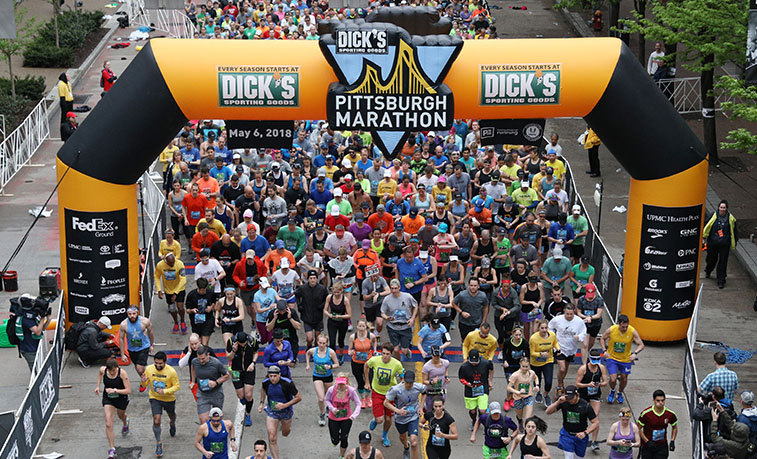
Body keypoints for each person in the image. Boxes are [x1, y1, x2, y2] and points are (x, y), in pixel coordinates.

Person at [364, 342, 405, 447]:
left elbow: (402, 376)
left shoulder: (396, 364)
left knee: (388, 419)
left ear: (391, 354)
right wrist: (367, 382)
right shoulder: (375, 360)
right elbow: (366, 365)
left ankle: (384, 435)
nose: (385, 356)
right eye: (383, 353)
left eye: (387, 354)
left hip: (390, 394)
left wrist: (399, 388)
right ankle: (375, 419)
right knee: (379, 419)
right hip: (377, 392)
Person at [140, 352, 180, 458]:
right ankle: (158, 443)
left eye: (160, 363)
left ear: (165, 362)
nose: (158, 365)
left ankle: (172, 423)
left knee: (171, 416)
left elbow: (177, 386)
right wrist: (143, 381)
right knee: (156, 420)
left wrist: (165, 391)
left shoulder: (171, 371)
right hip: (155, 398)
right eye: (156, 363)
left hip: (169, 399)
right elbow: (144, 384)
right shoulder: (149, 369)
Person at [258, 365, 302, 459]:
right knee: (272, 438)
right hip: (272, 411)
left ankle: (285, 427)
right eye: (270, 376)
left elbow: (298, 397)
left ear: (279, 375)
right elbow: (263, 390)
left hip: (286, 412)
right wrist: (261, 402)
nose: (272, 378)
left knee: (285, 433)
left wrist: (285, 405)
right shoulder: (265, 383)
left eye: (275, 376)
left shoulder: (287, 383)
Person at [600, 314, 645, 404]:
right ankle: (612, 391)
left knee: (624, 378)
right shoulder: (612, 329)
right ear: (618, 324)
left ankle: (620, 392)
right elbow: (602, 338)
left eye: (626, 326)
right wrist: (604, 350)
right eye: (623, 327)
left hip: (625, 359)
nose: (625, 329)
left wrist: (635, 353)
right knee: (613, 379)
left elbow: (641, 344)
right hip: (612, 358)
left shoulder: (632, 331)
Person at [545, 385, 599, 459]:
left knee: (578, 457)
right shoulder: (564, 402)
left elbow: (595, 422)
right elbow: (548, 412)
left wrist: (585, 433)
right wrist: (558, 402)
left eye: (571, 398)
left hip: (580, 435)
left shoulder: (585, 406)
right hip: (567, 434)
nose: (570, 400)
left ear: (577, 395)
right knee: (569, 456)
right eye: (568, 398)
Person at [384, 370, 427, 459]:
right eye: (407, 382)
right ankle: (406, 447)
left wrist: (421, 406)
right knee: (402, 437)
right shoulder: (396, 389)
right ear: (403, 380)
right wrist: (398, 410)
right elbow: (386, 403)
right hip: (400, 418)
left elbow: (424, 392)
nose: (409, 385)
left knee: (414, 442)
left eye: (411, 383)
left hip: (413, 416)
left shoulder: (418, 387)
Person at [95, 357, 131, 459]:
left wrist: (115, 390)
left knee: (121, 415)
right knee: (108, 423)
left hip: (120, 399)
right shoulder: (103, 370)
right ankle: (112, 448)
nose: (112, 372)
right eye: (110, 371)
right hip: (108, 399)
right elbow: (99, 373)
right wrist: (98, 386)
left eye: (113, 371)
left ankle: (125, 422)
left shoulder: (122, 373)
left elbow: (128, 390)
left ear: (117, 368)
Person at [548, 305, 587, 395]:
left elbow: (583, 332)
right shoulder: (557, 319)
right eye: (567, 314)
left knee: (565, 368)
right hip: (559, 347)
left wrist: (579, 337)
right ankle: (559, 385)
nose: (569, 316)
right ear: (564, 312)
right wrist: (553, 336)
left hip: (571, 349)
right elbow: (550, 326)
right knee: (562, 368)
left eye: (571, 314)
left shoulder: (579, 321)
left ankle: (561, 382)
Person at [575, 348, 608, 451]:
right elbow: (577, 384)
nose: (594, 364)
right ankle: (579, 435)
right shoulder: (583, 369)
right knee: (581, 417)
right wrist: (588, 385)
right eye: (593, 360)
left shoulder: (601, 367)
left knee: (595, 418)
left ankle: (594, 441)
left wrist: (599, 384)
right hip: (584, 394)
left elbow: (605, 382)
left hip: (595, 395)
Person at [305, 334, 341, 426]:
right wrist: (308, 364)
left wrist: (330, 366)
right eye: (320, 343)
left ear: (327, 343)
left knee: (329, 395)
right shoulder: (314, 350)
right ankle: (322, 414)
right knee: (321, 398)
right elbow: (307, 353)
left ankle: (329, 407)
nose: (321, 345)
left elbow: (337, 364)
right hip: (317, 376)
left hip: (328, 377)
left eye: (323, 343)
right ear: (317, 342)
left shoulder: (331, 352)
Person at [324, 373, 362, 458]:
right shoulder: (331, 390)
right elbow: (327, 400)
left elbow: (358, 403)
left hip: (346, 418)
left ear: (346, 382)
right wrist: (332, 408)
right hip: (333, 418)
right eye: (339, 383)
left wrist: (354, 415)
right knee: (335, 440)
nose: (340, 385)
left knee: (344, 438)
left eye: (342, 383)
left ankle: (341, 456)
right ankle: (336, 438)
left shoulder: (351, 390)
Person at [117, 306, 154, 392]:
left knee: (139, 368)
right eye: (130, 314)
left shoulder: (144, 321)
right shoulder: (124, 324)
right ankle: (145, 377)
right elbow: (121, 339)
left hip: (144, 346)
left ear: (137, 313)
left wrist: (152, 344)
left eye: (134, 313)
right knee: (138, 367)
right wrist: (122, 354)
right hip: (132, 349)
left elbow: (151, 332)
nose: (132, 316)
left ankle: (144, 381)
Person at [226, 331, 259, 427]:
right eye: (241, 344)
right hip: (236, 371)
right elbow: (228, 357)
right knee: (241, 396)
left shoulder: (252, 341)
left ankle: (248, 414)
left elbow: (256, 352)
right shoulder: (231, 342)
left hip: (249, 369)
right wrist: (233, 350)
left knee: (248, 395)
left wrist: (253, 363)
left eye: (244, 343)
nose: (243, 345)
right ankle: (245, 401)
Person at [380, 279, 418, 360]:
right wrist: (387, 317)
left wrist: (412, 318)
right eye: (392, 288)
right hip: (393, 327)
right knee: (395, 349)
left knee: (404, 351)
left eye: (395, 288)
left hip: (405, 326)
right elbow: (382, 312)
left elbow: (415, 306)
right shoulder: (387, 299)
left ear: (399, 288)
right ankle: (398, 364)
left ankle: (406, 350)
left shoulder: (407, 296)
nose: (394, 290)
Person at [704, 200, 738, 289]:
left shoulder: (731, 219)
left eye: (724, 208)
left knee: (723, 263)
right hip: (712, 243)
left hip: (724, 245)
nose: (722, 209)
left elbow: (734, 232)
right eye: (721, 207)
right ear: (718, 208)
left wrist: (734, 242)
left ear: (726, 209)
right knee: (711, 259)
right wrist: (704, 238)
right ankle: (708, 270)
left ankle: (721, 280)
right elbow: (705, 226)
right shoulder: (713, 216)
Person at [192, 345, 230, 423]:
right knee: (203, 419)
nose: (201, 361)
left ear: (208, 355)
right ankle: (206, 433)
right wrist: (193, 381)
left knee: (216, 419)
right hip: (202, 394)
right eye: (199, 359)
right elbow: (192, 368)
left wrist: (216, 382)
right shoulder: (195, 362)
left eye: (203, 359)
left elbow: (227, 375)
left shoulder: (216, 363)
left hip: (216, 393)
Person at [459, 349, 495, 431]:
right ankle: (474, 420)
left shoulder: (486, 363)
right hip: (470, 390)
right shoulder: (464, 367)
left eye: (476, 361)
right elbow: (461, 378)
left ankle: (483, 421)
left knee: (483, 410)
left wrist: (490, 381)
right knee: (472, 411)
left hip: (483, 388)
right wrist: (467, 384)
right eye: (472, 362)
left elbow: (492, 369)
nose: (474, 363)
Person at [13, 295, 52, 371]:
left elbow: (41, 328)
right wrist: (42, 318)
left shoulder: (31, 315)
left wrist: (48, 319)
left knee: (40, 369)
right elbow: (37, 332)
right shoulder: (25, 318)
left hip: (35, 347)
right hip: (29, 350)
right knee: (36, 372)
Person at [637, 389, 678, 459]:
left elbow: (674, 427)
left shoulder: (670, 414)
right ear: (653, 400)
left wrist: (672, 440)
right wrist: (647, 441)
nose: (660, 403)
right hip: (648, 446)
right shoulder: (646, 414)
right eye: (658, 401)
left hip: (662, 446)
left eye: (662, 400)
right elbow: (638, 428)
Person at [154, 252, 188, 334]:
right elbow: (157, 276)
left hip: (179, 289)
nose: (172, 265)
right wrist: (159, 289)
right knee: (172, 309)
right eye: (170, 264)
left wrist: (176, 293)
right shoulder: (160, 265)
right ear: (166, 261)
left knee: (180, 307)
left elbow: (183, 279)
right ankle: (176, 322)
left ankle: (182, 321)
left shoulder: (179, 264)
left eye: (173, 263)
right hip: (168, 290)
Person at [348, 318, 378, 408]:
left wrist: (375, 350)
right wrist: (350, 352)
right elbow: (349, 349)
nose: (361, 328)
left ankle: (368, 397)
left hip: (368, 363)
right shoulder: (353, 337)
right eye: (360, 326)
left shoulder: (371, 336)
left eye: (363, 326)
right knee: (360, 382)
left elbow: (375, 341)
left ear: (366, 326)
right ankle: (362, 399)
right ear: (357, 326)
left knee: (369, 380)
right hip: (356, 363)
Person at [295, 269, 328, 349]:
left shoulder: (322, 289)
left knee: (317, 338)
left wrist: (323, 305)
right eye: (311, 278)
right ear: (308, 279)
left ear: (317, 279)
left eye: (314, 278)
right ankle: (309, 347)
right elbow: (297, 295)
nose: (312, 280)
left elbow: (327, 298)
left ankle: (316, 351)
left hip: (318, 317)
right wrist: (299, 305)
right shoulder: (302, 288)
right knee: (309, 338)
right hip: (307, 317)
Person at [530, 319, 558, 407]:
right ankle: (538, 393)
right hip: (536, 362)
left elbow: (555, 343)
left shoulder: (552, 335)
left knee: (549, 381)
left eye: (546, 328)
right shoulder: (533, 338)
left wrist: (558, 348)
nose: (544, 330)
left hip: (548, 360)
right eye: (542, 328)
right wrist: (541, 354)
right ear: (538, 329)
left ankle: (546, 394)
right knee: (537, 380)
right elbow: (532, 353)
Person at [508, 357, 540, 429]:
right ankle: (519, 421)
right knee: (520, 415)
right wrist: (518, 392)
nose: (525, 368)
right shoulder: (515, 375)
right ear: (520, 365)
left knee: (528, 419)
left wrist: (537, 385)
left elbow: (536, 377)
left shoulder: (531, 372)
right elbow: (509, 387)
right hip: (518, 398)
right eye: (523, 366)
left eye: (526, 367)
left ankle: (526, 433)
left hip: (528, 397)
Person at [325, 281, 352, 364]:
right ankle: (333, 357)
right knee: (332, 341)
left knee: (341, 340)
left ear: (341, 291)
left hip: (342, 322)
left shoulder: (345, 300)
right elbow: (325, 310)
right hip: (332, 322)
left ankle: (340, 354)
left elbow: (349, 315)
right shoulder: (329, 297)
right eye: (334, 292)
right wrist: (329, 314)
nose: (336, 294)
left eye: (338, 292)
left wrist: (339, 316)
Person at [576, 284, 604, 361]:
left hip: (595, 324)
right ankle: (584, 364)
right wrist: (585, 317)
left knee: (591, 342)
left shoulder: (599, 300)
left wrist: (591, 317)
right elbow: (578, 312)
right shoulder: (581, 299)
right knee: (585, 344)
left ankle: (586, 351)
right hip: (585, 324)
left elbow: (598, 314)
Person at [186, 278, 217, 346]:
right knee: (198, 344)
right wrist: (192, 310)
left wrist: (211, 307)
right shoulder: (191, 295)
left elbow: (214, 303)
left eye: (204, 290)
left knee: (204, 344)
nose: (203, 292)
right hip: (196, 321)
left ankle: (205, 353)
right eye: (201, 290)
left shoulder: (210, 293)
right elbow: (187, 310)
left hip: (208, 320)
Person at [253, 278, 278, 345]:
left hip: (271, 318)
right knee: (264, 338)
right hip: (261, 319)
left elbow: (278, 298)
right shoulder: (257, 295)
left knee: (270, 337)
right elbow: (258, 310)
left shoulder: (272, 291)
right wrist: (269, 308)